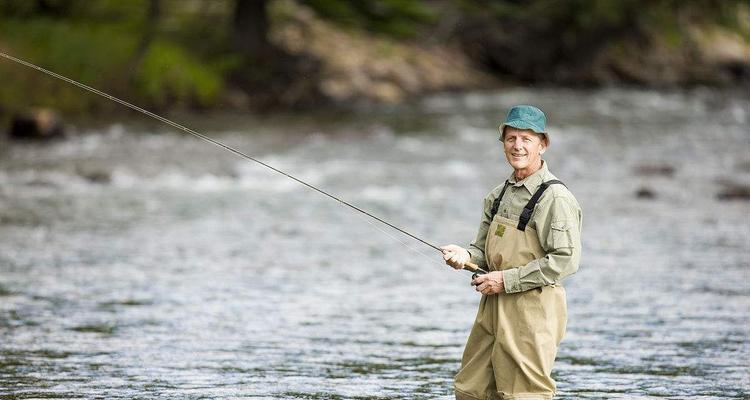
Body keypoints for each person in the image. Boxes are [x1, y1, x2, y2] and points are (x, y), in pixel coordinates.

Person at [441, 105, 582, 400]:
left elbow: (565, 261)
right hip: (491, 307)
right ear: (503, 143)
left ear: (542, 145)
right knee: (472, 390)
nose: (517, 146)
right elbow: (480, 249)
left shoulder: (555, 198)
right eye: (511, 138)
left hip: (533, 309)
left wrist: (505, 281)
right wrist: (464, 257)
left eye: (526, 139)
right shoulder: (497, 195)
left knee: (523, 394)